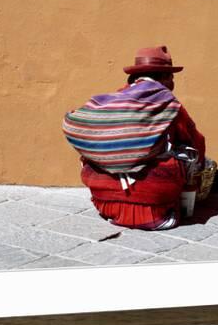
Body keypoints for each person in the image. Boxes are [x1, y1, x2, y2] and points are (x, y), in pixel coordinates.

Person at [63, 45, 209, 230]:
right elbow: (195, 142)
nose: (173, 82)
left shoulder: (113, 102)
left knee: (94, 155)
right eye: (171, 77)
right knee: (184, 155)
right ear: (163, 77)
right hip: (154, 210)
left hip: (105, 204)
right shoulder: (168, 104)